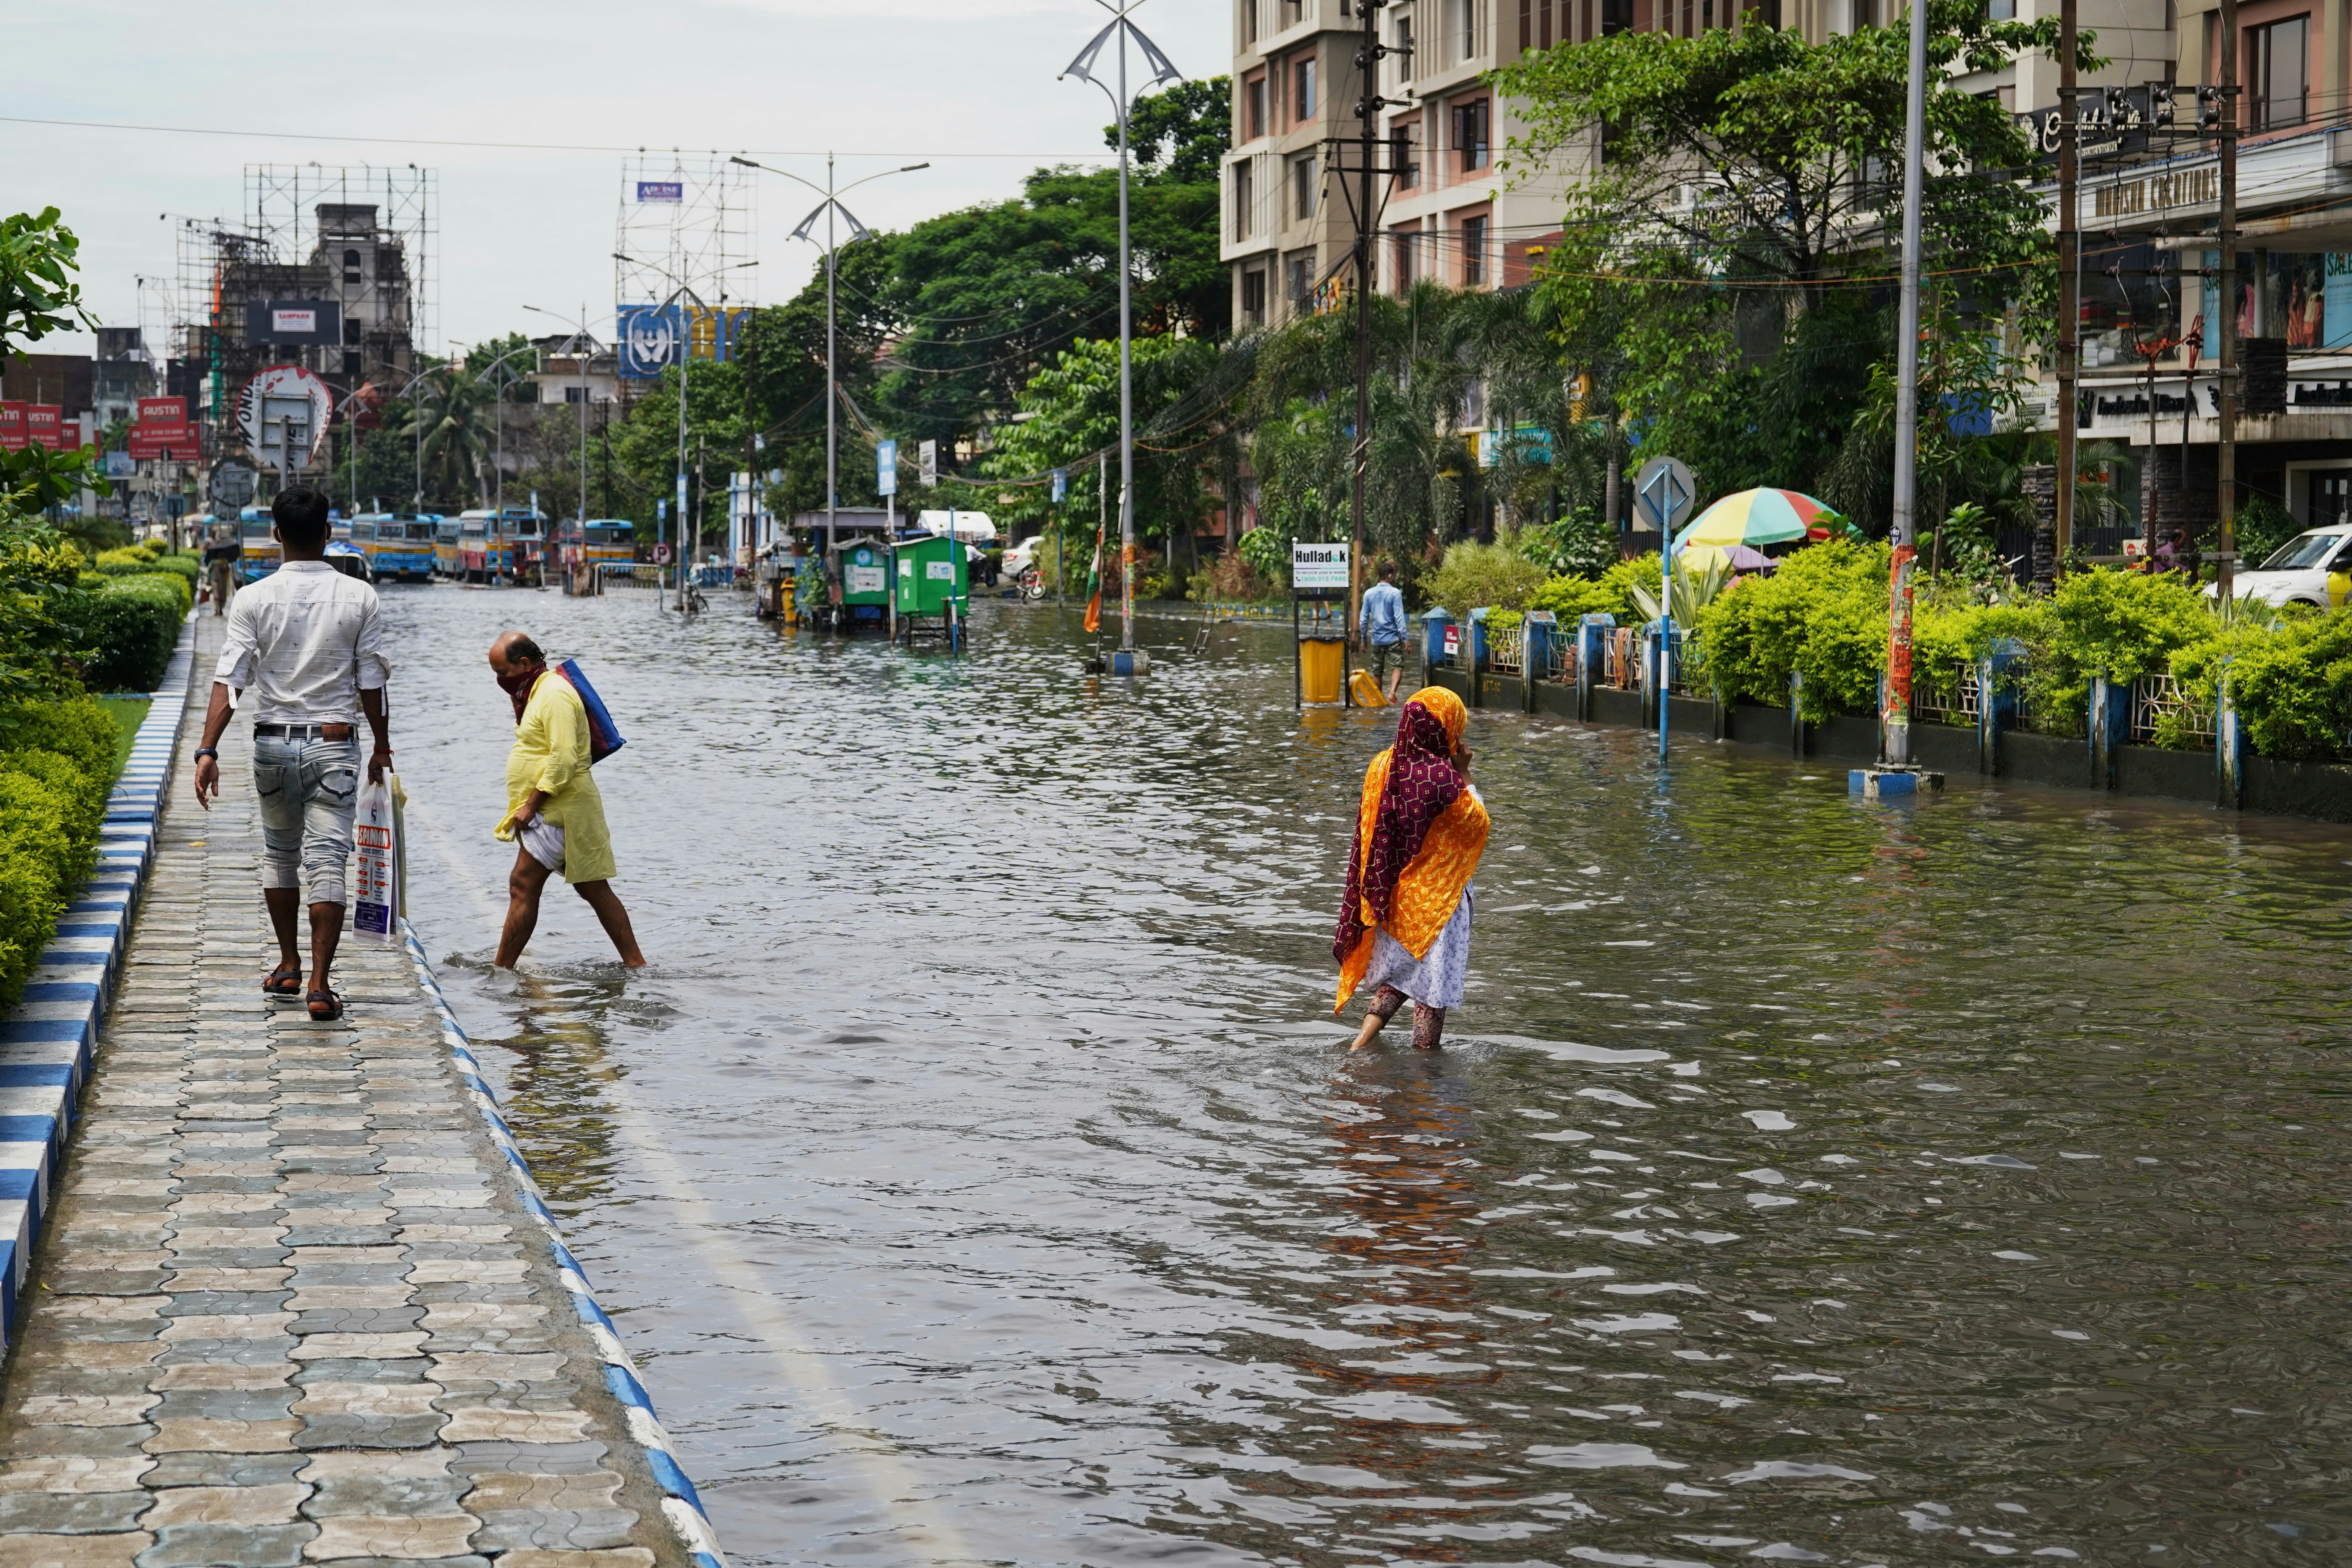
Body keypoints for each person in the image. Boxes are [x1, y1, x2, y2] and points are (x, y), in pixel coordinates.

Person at [192, 485, 391, 1021]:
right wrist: (382, 746)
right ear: (328, 533)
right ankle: (321, 987)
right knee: (328, 861)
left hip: (272, 746)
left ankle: (287, 964)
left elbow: (230, 681)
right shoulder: (360, 597)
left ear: (276, 534)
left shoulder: (253, 599)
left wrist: (207, 749)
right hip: (335, 746)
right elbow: (371, 680)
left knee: (281, 855)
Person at [1333, 686, 1489, 1051]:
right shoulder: (1443, 780)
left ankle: (1359, 1046)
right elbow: (1477, 822)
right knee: (1432, 994)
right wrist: (1465, 773)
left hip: (1393, 898)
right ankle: (1424, 1083)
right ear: (1443, 728)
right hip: (1438, 905)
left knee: (1401, 977)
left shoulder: (1381, 765)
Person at [487, 632, 645, 969]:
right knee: (595, 891)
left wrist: (531, 805)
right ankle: (637, 966)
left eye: (502, 672)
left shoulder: (555, 694)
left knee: (522, 884)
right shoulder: (537, 693)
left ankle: (501, 971)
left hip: (557, 809)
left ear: (525, 664)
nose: (500, 681)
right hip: (560, 808)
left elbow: (564, 758)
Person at [1360, 561, 1409, 703]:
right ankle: (1392, 693)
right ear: (1390, 575)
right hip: (1393, 638)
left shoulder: (1369, 594)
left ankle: (1378, 700)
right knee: (1398, 666)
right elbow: (1399, 618)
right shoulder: (1395, 593)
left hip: (1376, 639)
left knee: (1377, 672)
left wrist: (1364, 640)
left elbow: (1363, 620)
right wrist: (1406, 639)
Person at [201, 524, 241, 616]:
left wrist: (225, 569)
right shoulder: (213, 562)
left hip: (223, 581)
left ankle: (221, 610)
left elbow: (227, 570)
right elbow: (209, 571)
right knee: (216, 596)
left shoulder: (224, 562)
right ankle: (216, 610)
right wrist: (208, 580)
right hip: (215, 581)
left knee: (222, 596)